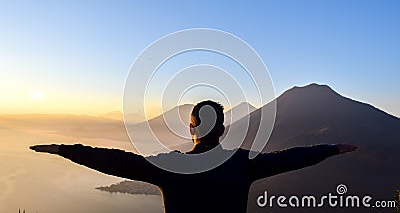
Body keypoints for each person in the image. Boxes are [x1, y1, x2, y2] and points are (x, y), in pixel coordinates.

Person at [31, 100, 357, 213]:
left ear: (192, 129)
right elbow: (290, 158)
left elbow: (117, 160)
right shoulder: (242, 165)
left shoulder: (171, 167)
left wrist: (65, 150)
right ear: (224, 131)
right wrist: (330, 148)